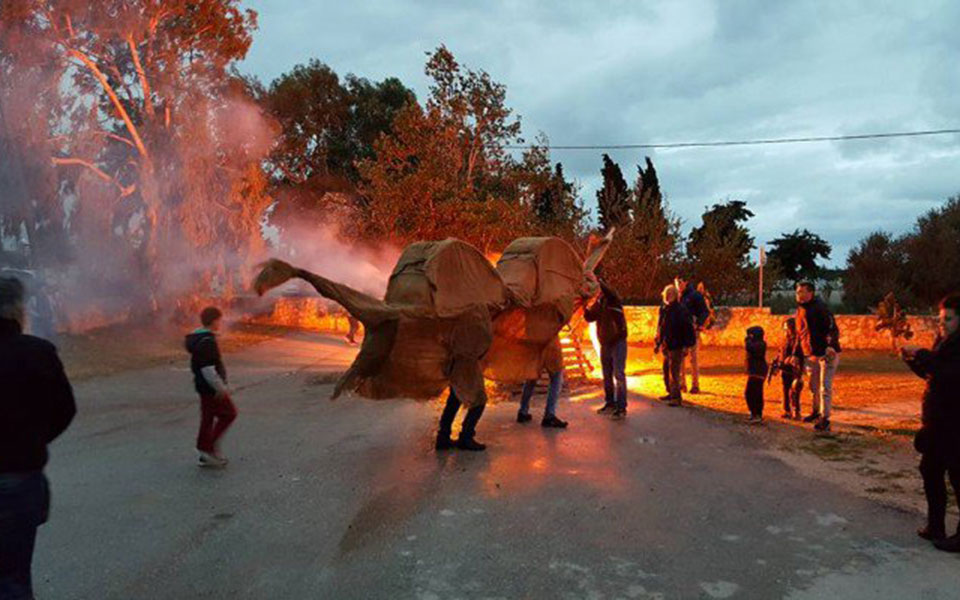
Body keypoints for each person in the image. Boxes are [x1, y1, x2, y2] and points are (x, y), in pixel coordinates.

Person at [0, 276, 76, 599]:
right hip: (20, 479)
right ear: (18, 310)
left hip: (20, 478)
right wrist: (31, 440)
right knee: (13, 577)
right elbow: (64, 410)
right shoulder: (38, 353)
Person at [900, 293, 960, 551]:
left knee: (959, 478)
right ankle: (936, 525)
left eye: (948, 319)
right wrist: (913, 361)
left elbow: (950, 373)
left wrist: (922, 353)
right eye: (940, 318)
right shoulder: (944, 341)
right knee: (930, 471)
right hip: (937, 422)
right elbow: (932, 373)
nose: (942, 323)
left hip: (955, 423)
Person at [185, 306, 237, 468]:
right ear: (214, 321)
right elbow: (208, 369)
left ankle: (205, 450)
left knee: (208, 417)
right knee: (229, 413)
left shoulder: (200, 338)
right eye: (219, 320)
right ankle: (207, 448)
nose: (220, 323)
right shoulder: (207, 342)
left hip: (203, 386)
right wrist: (221, 388)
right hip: (211, 388)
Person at [795, 281, 841, 432]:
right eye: (797, 291)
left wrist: (830, 345)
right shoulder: (801, 310)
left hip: (827, 354)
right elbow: (800, 334)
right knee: (813, 386)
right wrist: (797, 354)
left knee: (824, 387)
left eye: (802, 291)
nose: (798, 294)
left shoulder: (820, 308)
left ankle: (825, 419)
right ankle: (815, 412)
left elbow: (832, 329)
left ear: (811, 293)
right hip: (811, 355)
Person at [585, 277, 629, 419]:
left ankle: (621, 407)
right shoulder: (600, 302)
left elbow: (608, 290)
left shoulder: (613, 298)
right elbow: (590, 317)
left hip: (618, 341)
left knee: (619, 374)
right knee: (607, 376)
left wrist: (596, 279)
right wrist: (584, 306)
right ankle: (610, 403)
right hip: (605, 343)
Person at [655, 284, 695, 407]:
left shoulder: (680, 310)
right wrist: (659, 341)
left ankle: (676, 397)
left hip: (676, 345)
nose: (668, 297)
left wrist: (687, 346)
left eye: (670, 294)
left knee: (674, 371)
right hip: (667, 344)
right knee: (667, 369)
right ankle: (671, 393)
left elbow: (687, 328)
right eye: (667, 295)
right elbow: (661, 326)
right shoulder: (665, 309)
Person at [517, 337, 568, 428]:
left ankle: (523, 411)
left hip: (533, 344)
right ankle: (549, 415)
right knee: (556, 378)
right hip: (550, 345)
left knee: (531, 377)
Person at [675, 277, 710, 394]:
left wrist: (698, 323)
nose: (678, 285)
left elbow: (705, 312)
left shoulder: (695, 296)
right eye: (676, 283)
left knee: (693, 358)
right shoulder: (677, 296)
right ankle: (681, 384)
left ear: (685, 282)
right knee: (680, 358)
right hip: (679, 330)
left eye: (680, 283)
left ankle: (695, 385)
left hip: (692, 330)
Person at [777, 317, 805, 420]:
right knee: (785, 389)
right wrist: (778, 361)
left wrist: (793, 358)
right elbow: (781, 351)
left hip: (794, 369)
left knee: (795, 390)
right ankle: (786, 410)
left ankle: (796, 411)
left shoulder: (798, 339)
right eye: (784, 328)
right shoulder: (785, 339)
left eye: (787, 328)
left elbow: (797, 352)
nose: (785, 330)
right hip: (785, 368)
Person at [744, 326, 768, 423]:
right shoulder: (757, 343)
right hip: (754, 370)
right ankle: (754, 413)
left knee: (754, 393)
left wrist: (747, 341)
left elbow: (750, 348)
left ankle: (757, 414)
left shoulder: (761, 344)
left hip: (758, 371)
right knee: (751, 393)